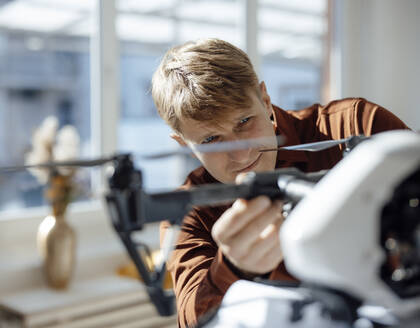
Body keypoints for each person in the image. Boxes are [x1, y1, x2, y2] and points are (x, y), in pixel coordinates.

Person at [151, 38, 409, 328]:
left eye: (245, 121)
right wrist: (234, 267)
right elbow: (194, 320)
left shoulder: (356, 126)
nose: (242, 153)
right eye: (211, 140)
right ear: (184, 145)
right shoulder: (189, 213)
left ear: (265, 99)